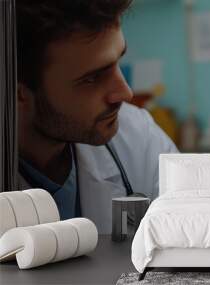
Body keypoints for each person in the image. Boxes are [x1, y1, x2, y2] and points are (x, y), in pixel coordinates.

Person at [16, 0, 178, 234]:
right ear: (18, 93)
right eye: (91, 79)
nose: (125, 93)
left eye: (118, 61)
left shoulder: (139, 137)